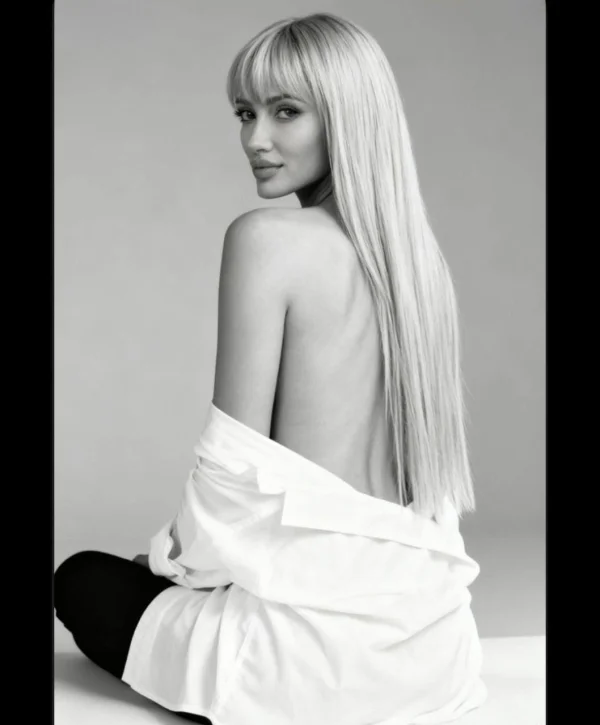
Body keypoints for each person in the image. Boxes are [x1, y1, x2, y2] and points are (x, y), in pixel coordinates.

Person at [54, 12, 487, 725]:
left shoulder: (267, 239)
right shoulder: (420, 270)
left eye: (286, 111)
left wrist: (167, 563)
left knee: (82, 578)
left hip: (305, 671)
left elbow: (229, 480)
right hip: (432, 660)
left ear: (347, 116)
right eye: (244, 113)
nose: (255, 139)